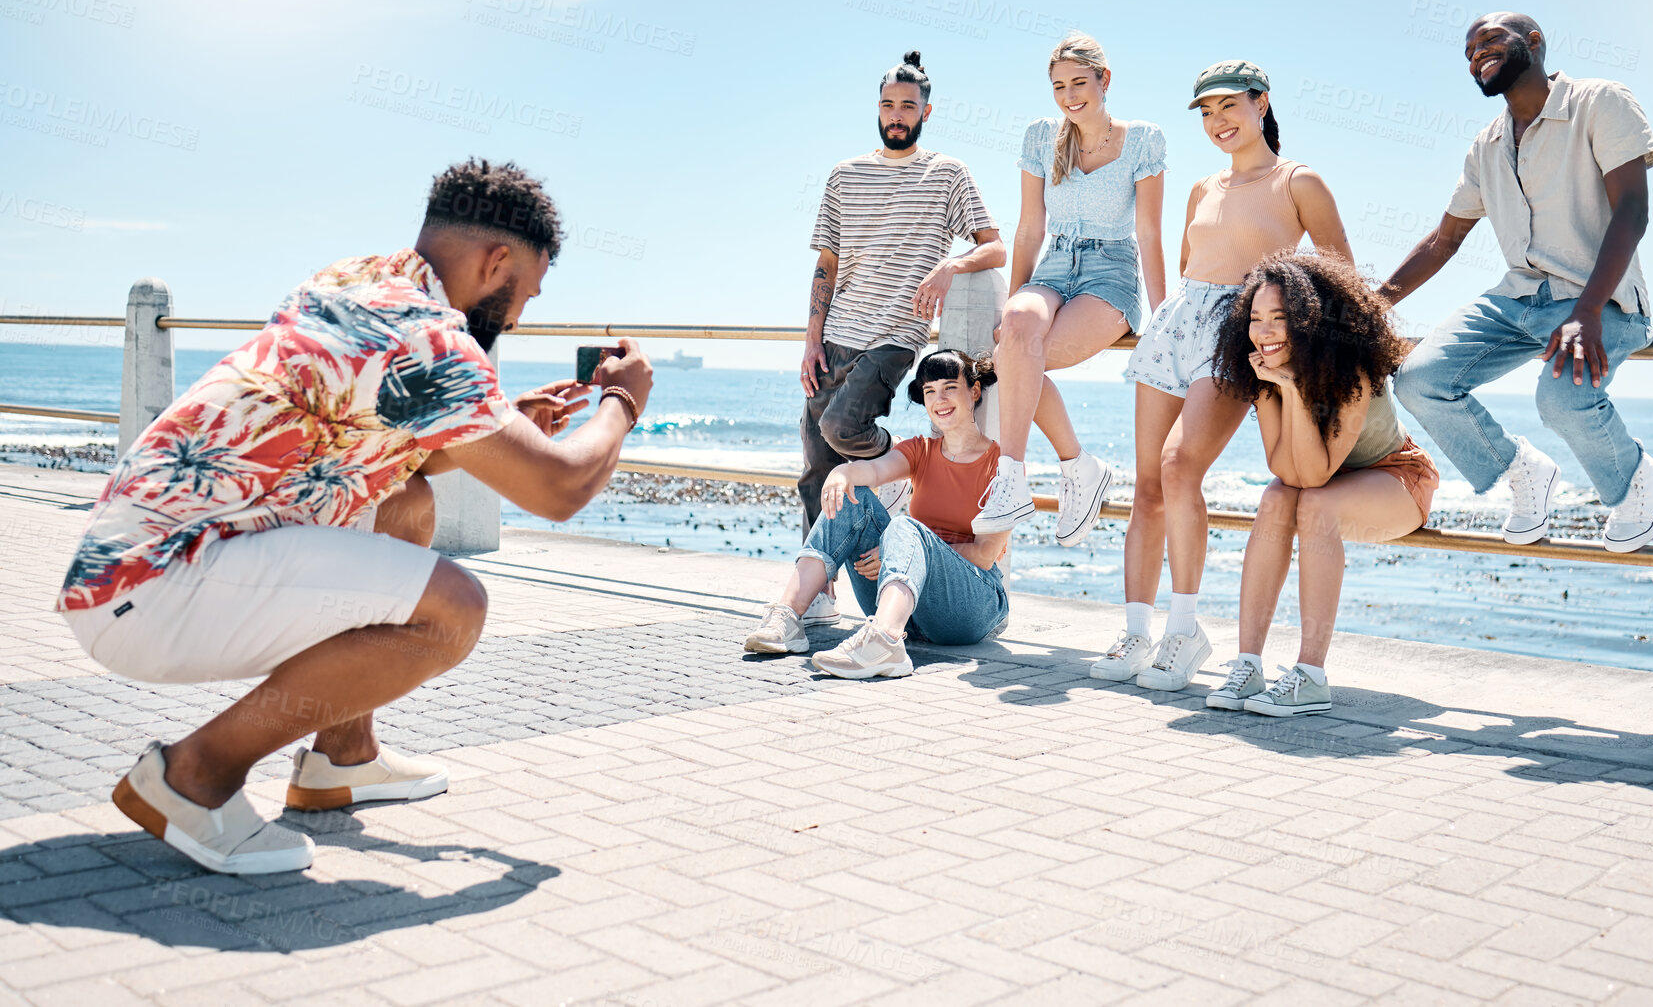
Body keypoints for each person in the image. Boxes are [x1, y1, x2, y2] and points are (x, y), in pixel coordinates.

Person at [55, 158, 653, 874]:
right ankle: (195, 776)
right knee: (454, 609)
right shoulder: (429, 339)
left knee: (405, 504)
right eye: (525, 291)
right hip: (154, 591)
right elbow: (559, 490)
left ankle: (342, 758)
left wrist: (505, 424)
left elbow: (393, 453)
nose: (521, 313)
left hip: (130, 565)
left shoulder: (359, 279)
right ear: (496, 259)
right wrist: (623, 402)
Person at [1089, 61, 1354, 691]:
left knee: (1181, 466)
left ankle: (1186, 630)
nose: (1217, 122)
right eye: (1206, 113)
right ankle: (1137, 629)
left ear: (1262, 104)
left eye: (1229, 107)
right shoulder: (1202, 188)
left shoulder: (1299, 180)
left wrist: (1289, 341)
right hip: (1177, 324)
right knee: (1148, 483)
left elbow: (1339, 271)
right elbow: (1188, 266)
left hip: (1239, 333)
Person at [1383, 12, 1653, 553]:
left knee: (1559, 400)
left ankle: (1632, 479)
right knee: (1418, 379)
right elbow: (1444, 240)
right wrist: (1371, 304)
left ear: (1533, 42)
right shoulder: (1486, 144)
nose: (1476, 56)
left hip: (1601, 302)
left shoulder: (1599, 100)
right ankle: (1521, 471)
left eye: (1489, 41)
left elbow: (1632, 210)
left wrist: (1585, 312)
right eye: (1468, 53)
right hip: (1516, 300)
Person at [799, 49, 1004, 625]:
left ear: (926, 112)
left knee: (843, 428)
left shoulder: (948, 174)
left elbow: (995, 244)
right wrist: (811, 340)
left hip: (894, 334)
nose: (896, 114)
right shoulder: (845, 174)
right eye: (888, 104)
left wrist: (952, 266)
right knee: (815, 468)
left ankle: (899, 466)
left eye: (907, 106)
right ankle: (817, 593)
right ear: (877, 109)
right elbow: (827, 265)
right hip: (836, 333)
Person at [1202, 254, 1437, 716]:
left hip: (1396, 477)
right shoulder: (1265, 372)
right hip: (1331, 480)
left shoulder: (1351, 371)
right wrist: (1282, 387)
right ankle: (1248, 664)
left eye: (1280, 319)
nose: (1264, 332)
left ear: (1309, 320)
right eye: (1255, 319)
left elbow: (1311, 478)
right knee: (1275, 497)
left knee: (1315, 506)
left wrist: (1292, 390)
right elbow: (1286, 471)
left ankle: (1310, 675)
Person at [971, 33, 1165, 548]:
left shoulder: (1143, 140)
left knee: (1017, 362)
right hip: (1053, 266)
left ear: (1105, 80)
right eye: (1059, 86)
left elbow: (1148, 233)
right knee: (1015, 336)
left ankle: (1071, 468)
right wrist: (1011, 306)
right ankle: (1025, 475)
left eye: (1080, 82)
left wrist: (1165, 316)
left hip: (1111, 272)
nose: (1069, 95)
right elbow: (1030, 228)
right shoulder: (1041, 136)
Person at [746, 350, 1011, 678]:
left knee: (904, 528)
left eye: (949, 388)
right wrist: (844, 475)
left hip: (970, 607)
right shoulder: (920, 450)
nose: (939, 399)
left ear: (973, 391)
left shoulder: (1001, 464)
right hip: (910, 607)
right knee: (853, 497)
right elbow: (873, 471)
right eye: (929, 391)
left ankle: (884, 643)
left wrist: (899, 551)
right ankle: (788, 616)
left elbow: (985, 556)